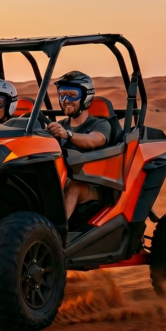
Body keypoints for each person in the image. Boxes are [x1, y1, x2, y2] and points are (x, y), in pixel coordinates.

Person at [45, 71, 112, 220]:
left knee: (74, 186)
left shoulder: (100, 124)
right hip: (61, 179)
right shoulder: (60, 125)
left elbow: (94, 140)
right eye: (62, 95)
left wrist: (67, 134)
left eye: (72, 95)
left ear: (86, 97)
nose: (65, 100)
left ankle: (57, 235)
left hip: (92, 184)